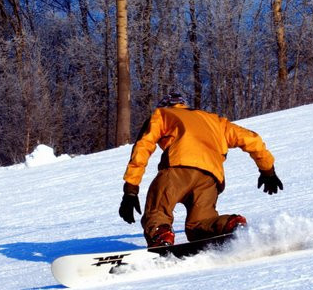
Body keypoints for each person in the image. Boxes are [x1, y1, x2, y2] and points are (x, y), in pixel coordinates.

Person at [118, 91, 283, 247]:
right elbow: (252, 139)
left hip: (179, 169)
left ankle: (161, 236)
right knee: (199, 226)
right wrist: (268, 171)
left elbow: (143, 147)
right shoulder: (216, 121)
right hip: (210, 178)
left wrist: (131, 190)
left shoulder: (162, 114)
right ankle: (229, 225)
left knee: (157, 210)